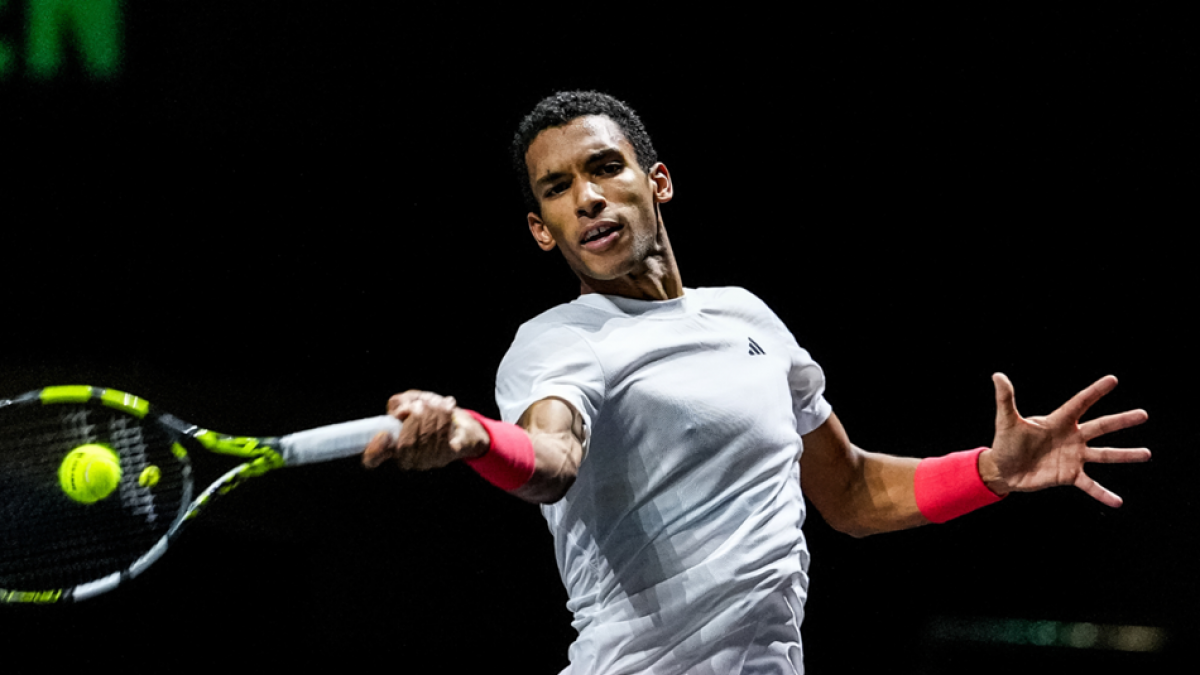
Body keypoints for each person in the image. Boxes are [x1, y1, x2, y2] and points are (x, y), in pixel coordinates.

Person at [362, 91, 1151, 674]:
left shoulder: (745, 316)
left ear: (657, 181)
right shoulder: (557, 343)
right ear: (542, 229)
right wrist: (472, 435)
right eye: (557, 189)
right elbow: (550, 458)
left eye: (604, 168)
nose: (588, 197)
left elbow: (847, 491)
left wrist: (991, 473)